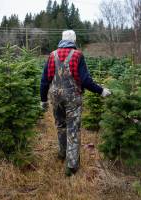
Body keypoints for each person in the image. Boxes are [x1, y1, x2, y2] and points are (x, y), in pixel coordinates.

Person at [40, 30, 111, 176]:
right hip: (73, 99)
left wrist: (43, 100)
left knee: (60, 126)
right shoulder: (78, 55)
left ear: (62, 40)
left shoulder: (52, 55)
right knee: (73, 129)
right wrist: (101, 91)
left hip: (55, 98)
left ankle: (62, 153)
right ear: (74, 40)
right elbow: (85, 80)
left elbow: (44, 80)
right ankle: (71, 166)